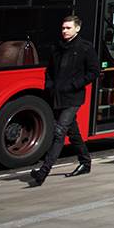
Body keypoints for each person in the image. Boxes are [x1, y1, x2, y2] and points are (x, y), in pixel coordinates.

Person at [28, 16, 99, 186]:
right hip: (57, 96)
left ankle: (43, 172)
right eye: (63, 28)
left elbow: (94, 71)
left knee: (59, 132)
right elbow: (49, 71)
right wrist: (49, 86)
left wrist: (75, 85)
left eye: (68, 28)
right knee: (72, 132)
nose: (64, 31)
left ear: (77, 29)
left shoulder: (85, 48)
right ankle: (85, 162)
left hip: (73, 97)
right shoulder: (57, 47)